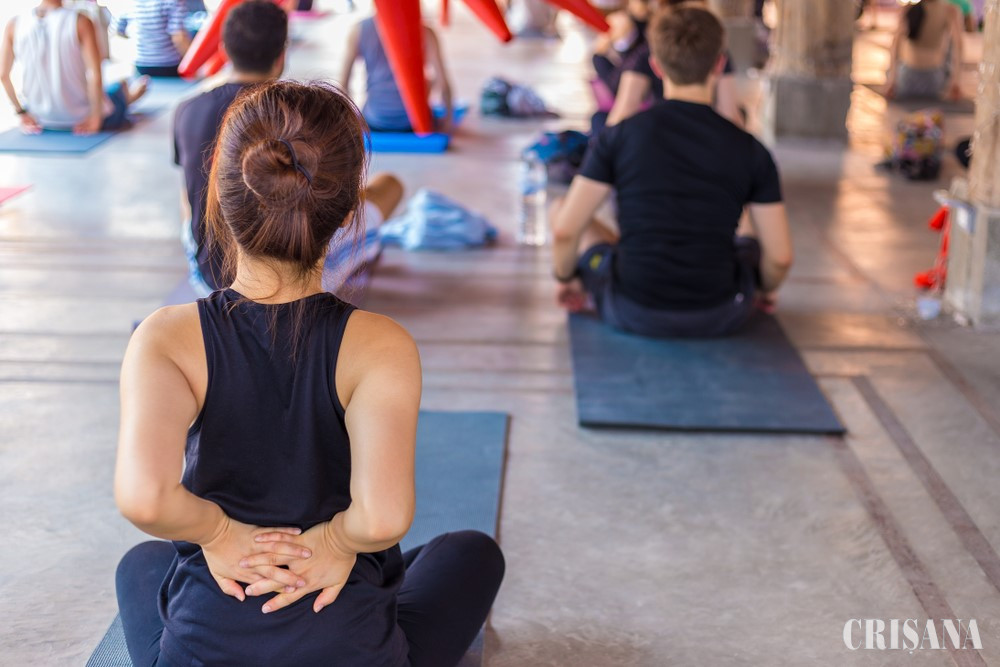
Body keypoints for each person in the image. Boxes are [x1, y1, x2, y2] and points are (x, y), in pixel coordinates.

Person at [115, 79, 505, 666]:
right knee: (472, 553)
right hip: (347, 647)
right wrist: (335, 541)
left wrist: (220, 534)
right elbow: (380, 517)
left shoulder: (163, 337)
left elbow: (146, 499)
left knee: (142, 564)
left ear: (217, 196)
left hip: (208, 645)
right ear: (349, 212)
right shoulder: (382, 345)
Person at [552, 6, 792, 338]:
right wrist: (764, 290)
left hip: (630, 306)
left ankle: (609, 270)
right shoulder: (751, 150)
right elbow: (780, 258)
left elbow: (565, 231)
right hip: (721, 310)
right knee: (750, 219)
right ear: (719, 65)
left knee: (560, 209)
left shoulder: (619, 137)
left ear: (655, 66)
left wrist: (566, 279)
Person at [174, 1, 402, 295]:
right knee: (388, 186)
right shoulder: (299, 113)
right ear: (281, 55)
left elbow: (187, 196)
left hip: (209, 276)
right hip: (301, 277)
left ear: (225, 49)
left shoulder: (187, 110)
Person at [0, 0, 148, 135]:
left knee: (113, 88)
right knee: (118, 87)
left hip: (40, 118)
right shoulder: (81, 21)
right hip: (81, 118)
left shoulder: (14, 24)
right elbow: (95, 74)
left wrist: (21, 112)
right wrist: (96, 117)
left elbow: (3, 75)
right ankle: (130, 96)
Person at [602, 0, 742, 129]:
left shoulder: (648, 52)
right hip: (710, 131)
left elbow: (623, 112)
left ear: (656, 66)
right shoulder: (716, 51)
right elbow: (729, 113)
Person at [340, 15, 454, 133]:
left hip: (375, 120)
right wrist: (447, 122)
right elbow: (443, 84)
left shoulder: (359, 30)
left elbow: (344, 85)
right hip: (414, 124)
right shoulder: (425, 32)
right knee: (429, 81)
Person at [885, 0, 965, 101]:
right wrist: (956, 82)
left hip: (906, 81)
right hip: (935, 82)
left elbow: (895, 44)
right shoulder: (950, 10)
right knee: (949, 47)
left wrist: (891, 81)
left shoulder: (908, 9)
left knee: (894, 65)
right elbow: (958, 45)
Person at [115, 0, 192, 77]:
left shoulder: (126, 2)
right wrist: (191, 62)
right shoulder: (173, 1)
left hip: (140, 64)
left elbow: (118, 31)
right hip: (169, 64)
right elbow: (178, 37)